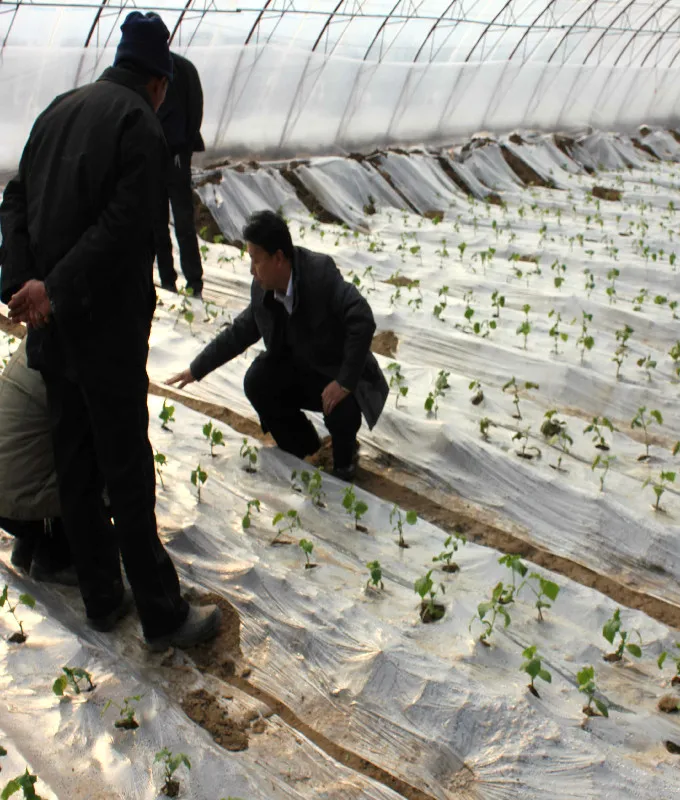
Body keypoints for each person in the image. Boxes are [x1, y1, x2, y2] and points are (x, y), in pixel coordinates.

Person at [0, 11, 220, 649]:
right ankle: (162, 615)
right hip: (104, 333)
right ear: (159, 82)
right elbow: (124, 229)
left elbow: (13, 201)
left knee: (74, 459)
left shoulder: (58, 110)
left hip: (53, 331)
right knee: (124, 470)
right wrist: (53, 289)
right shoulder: (139, 126)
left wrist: (21, 284)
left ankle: (101, 598)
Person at [167, 210, 389, 481]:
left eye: (256, 260)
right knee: (258, 380)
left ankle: (344, 462)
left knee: (341, 410)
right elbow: (240, 332)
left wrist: (344, 382)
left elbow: (362, 318)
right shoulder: (263, 289)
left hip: (335, 372)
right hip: (301, 371)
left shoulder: (320, 275)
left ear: (279, 258)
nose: (252, 270)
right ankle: (306, 448)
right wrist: (195, 369)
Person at [0, 337, 74, 585]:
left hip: (7, 497)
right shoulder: (71, 353)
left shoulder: (38, 337)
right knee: (90, 469)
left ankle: (31, 545)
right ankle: (55, 560)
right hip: (17, 501)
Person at [155, 51, 205, 299]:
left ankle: (186, 281)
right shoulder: (168, 66)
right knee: (163, 220)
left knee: (176, 220)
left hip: (173, 153)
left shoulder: (177, 69)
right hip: (164, 153)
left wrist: (181, 144)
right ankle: (174, 281)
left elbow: (194, 107)